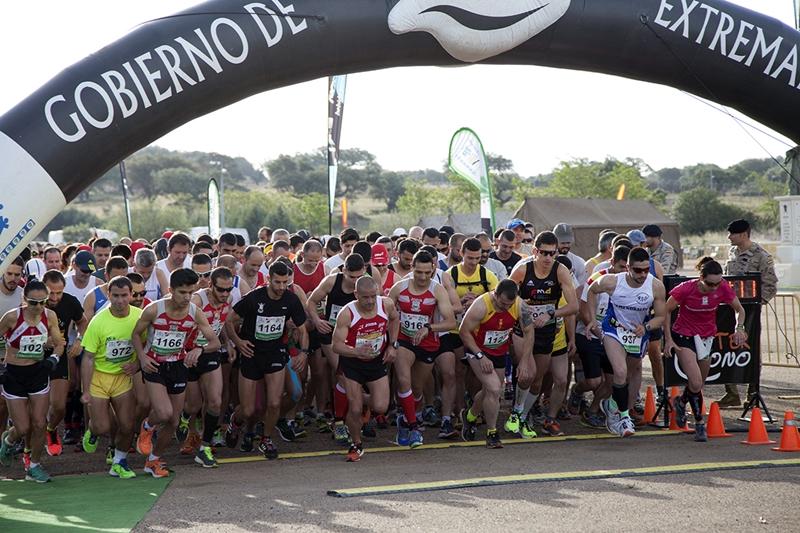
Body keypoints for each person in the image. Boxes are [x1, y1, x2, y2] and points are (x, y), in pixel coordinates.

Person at [132, 269, 220, 478]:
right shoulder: (154, 310)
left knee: (174, 420)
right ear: (170, 290)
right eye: (182, 292)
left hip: (178, 366)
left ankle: (153, 460)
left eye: (191, 292)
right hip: (155, 366)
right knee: (164, 413)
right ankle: (147, 425)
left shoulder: (195, 312)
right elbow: (135, 334)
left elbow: (215, 342)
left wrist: (199, 349)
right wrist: (143, 358)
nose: (187, 297)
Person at [224, 261, 309, 460]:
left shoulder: (291, 299)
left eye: (285, 283)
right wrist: (238, 341)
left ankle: (266, 438)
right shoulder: (254, 298)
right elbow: (229, 321)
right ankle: (235, 422)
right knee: (248, 409)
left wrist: (303, 352)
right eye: (277, 282)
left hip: (275, 353)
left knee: (273, 403)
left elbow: (303, 329)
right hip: (251, 354)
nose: (281, 287)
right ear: (268, 279)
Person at [586, 247, 667, 437]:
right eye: (638, 270)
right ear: (628, 267)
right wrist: (591, 319)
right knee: (619, 372)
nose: (643, 274)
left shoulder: (655, 286)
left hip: (638, 334)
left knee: (628, 376)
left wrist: (646, 327)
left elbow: (661, 316)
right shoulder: (612, 281)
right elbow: (591, 290)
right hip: (614, 329)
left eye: (646, 270)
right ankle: (623, 418)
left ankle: (611, 404)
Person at [663, 258, 747, 442]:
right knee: (694, 381)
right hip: (684, 336)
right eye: (710, 283)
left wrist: (739, 328)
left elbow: (739, 310)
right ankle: (700, 423)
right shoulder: (686, 288)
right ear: (701, 278)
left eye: (717, 283)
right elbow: (666, 310)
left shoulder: (723, 287)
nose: (714, 288)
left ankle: (680, 401)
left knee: (699, 384)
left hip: (707, 337)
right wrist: (668, 339)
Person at [509, 231, 578, 437]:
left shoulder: (560, 271)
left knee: (538, 380)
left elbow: (573, 306)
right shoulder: (522, 271)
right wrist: (522, 309)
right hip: (523, 329)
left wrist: (551, 313)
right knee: (526, 374)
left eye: (552, 253)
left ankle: (523, 414)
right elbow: (504, 298)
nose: (548, 258)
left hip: (547, 330)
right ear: (535, 251)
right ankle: (517, 412)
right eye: (544, 253)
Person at [388, 250, 456, 448]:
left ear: (433, 269)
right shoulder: (399, 288)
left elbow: (451, 322)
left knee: (417, 389)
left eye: (427, 272)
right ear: (412, 269)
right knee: (403, 381)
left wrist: (429, 328)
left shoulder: (437, 290)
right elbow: (386, 314)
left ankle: (405, 417)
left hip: (428, 343)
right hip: (404, 340)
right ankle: (413, 426)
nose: (423, 277)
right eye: (419, 272)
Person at [0, 280, 65, 482]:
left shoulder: (50, 316)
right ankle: (9, 440)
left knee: (39, 423)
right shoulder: (12, 318)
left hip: (38, 373)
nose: (38, 307)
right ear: (24, 300)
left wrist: (53, 359)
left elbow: (59, 343)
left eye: (43, 302)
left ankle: (34, 466)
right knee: (23, 428)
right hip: (13, 376)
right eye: (33, 302)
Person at [459, 280, 534, 448]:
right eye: (502, 303)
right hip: (477, 350)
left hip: (499, 351)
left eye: (509, 304)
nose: (506, 308)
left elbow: (529, 332)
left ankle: (470, 416)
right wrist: (480, 356)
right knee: (494, 389)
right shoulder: (481, 306)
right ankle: (492, 432)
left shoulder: (519, 305)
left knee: (488, 390)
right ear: (495, 294)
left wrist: (524, 361)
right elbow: (464, 331)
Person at [332, 276, 399, 461]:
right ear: (356, 295)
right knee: (354, 408)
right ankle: (356, 443)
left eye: (373, 296)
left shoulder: (386, 305)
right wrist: (355, 351)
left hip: (376, 362)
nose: (370, 301)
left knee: (381, 406)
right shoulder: (347, 313)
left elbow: (394, 320)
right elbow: (336, 346)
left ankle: (360, 404)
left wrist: (393, 345)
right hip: (352, 363)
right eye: (365, 297)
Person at [79, 276, 141, 478]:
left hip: (122, 378)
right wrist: (86, 390)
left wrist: (137, 365)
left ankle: (119, 461)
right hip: (99, 377)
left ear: (131, 295)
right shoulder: (98, 321)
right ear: (108, 295)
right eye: (115, 296)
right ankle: (92, 430)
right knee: (103, 426)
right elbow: (88, 357)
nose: (120, 300)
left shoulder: (140, 317)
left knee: (127, 424)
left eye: (124, 295)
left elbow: (147, 346)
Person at [177, 267, 235, 467]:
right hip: (188, 355)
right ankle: (185, 417)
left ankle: (205, 447)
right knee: (193, 405)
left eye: (229, 289)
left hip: (208, 351)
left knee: (215, 402)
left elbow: (221, 324)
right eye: (221, 290)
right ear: (211, 285)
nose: (226, 294)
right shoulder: (198, 301)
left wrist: (227, 342)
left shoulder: (229, 299)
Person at [718, 218, 778, 407]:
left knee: (751, 348)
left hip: (750, 310)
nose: (729, 237)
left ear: (743, 234)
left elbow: (770, 284)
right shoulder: (733, 252)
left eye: (732, 233)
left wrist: (757, 304)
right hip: (729, 307)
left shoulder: (761, 256)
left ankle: (753, 394)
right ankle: (731, 393)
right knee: (726, 347)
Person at [306, 254, 366, 443]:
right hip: (331, 335)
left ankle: (355, 418)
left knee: (355, 378)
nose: (356, 282)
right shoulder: (332, 281)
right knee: (342, 374)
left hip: (355, 337)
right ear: (344, 271)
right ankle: (339, 422)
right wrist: (317, 321)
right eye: (352, 277)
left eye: (359, 277)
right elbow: (311, 302)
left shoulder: (367, 284)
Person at [574, 245, 630, 428]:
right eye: (622, 267)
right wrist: (596, 328)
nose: (625, 271)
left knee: (614, 380)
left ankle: (593, 410)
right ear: (612, 262)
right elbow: (582, 308)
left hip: (613, 337)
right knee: (593, 381)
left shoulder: (632, 282)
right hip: (589, 333)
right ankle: (577, 391)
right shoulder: (598, 278)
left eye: (628, 267)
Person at [42, 270, 87, 457]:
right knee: (36, 406)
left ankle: (51, 429)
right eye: (50, 292)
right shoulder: (34, 303)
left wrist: (79, 340)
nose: (54, 297)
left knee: (59, 406)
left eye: (58, 292)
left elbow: (83, 322)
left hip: (59, 356)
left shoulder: (69, 302)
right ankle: (27, 442)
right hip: (35, 357)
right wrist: (43, 341)